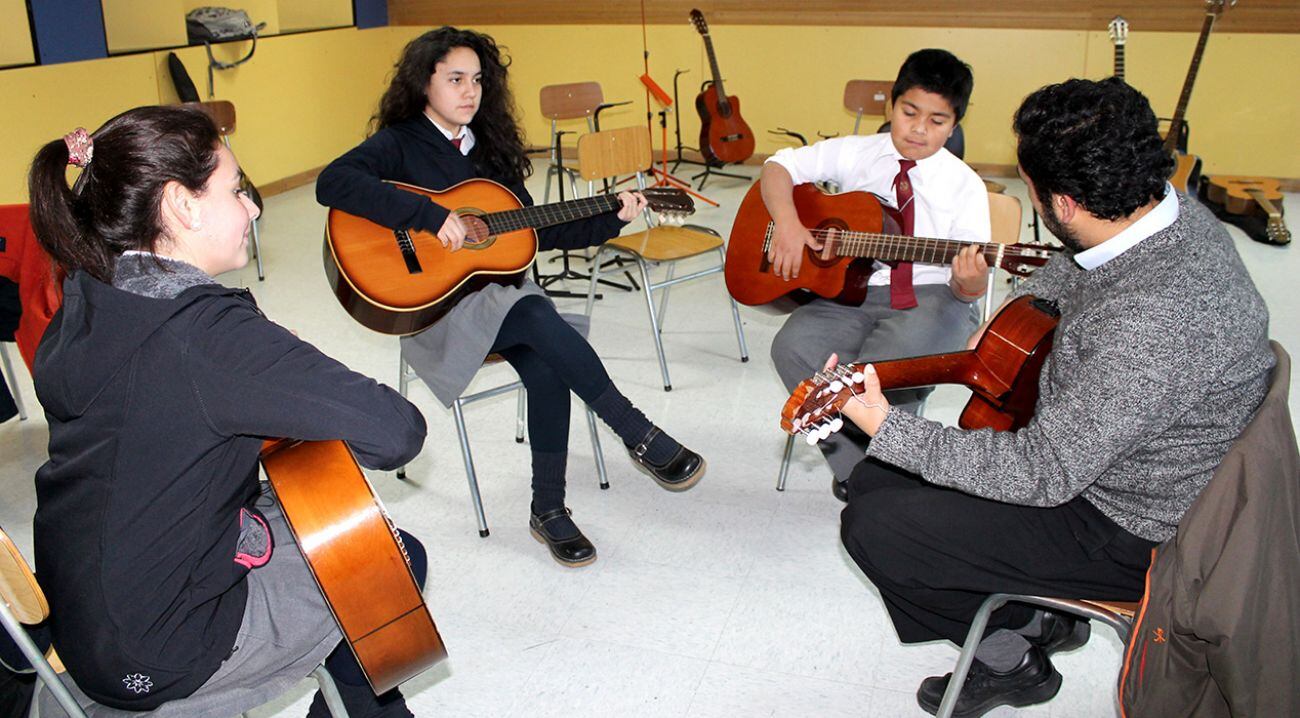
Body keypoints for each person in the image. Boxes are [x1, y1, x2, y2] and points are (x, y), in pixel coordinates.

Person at [831, 77, 1274, 717]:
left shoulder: (1154, 323)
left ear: (1061, 204)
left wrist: (884, 424)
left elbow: (1043, 473)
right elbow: (1083, 263)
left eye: (1031, 187)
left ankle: (1015, 660)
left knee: (876, 526)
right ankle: (1036, 614)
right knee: (876, 479)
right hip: (1129, 470)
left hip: (1129, 525)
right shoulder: (1165, 208)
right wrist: (1019, 307)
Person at [28, 106, 429, 717]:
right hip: (162, 650)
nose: (254, 207)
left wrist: (262, 373)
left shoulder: (90, 290)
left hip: (85, 617)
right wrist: (269, 362)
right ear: (183, 206)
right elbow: (396, 431)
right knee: (386, 560)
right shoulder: (206, 335)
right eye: (236, 188)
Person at [316, 26, 705, 568]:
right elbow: (333, 183)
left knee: (544, 352)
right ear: (423, 83)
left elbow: (534, 232)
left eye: (477, 80)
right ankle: (636, 431)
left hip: (502, 300)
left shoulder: (492, 150)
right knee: (535, 315)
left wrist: (608, 219)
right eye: (454, 79)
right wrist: (430, 216)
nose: (469, 92)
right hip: (437, 308)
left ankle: (548, 510)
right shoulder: (400, 142)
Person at [763, 48, 992, 500]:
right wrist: (788, 225)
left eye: (938, 121)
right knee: (792, 346)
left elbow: (968, 291)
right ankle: (859, 468)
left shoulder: (965, 185)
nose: (920, 129)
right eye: (909, 113)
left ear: (955, 123)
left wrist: (971, 280)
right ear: (892, 105)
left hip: (932, 296)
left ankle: (884, 465)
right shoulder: (857, 153)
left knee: (888, 369)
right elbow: (778, 166)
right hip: (853, 291)